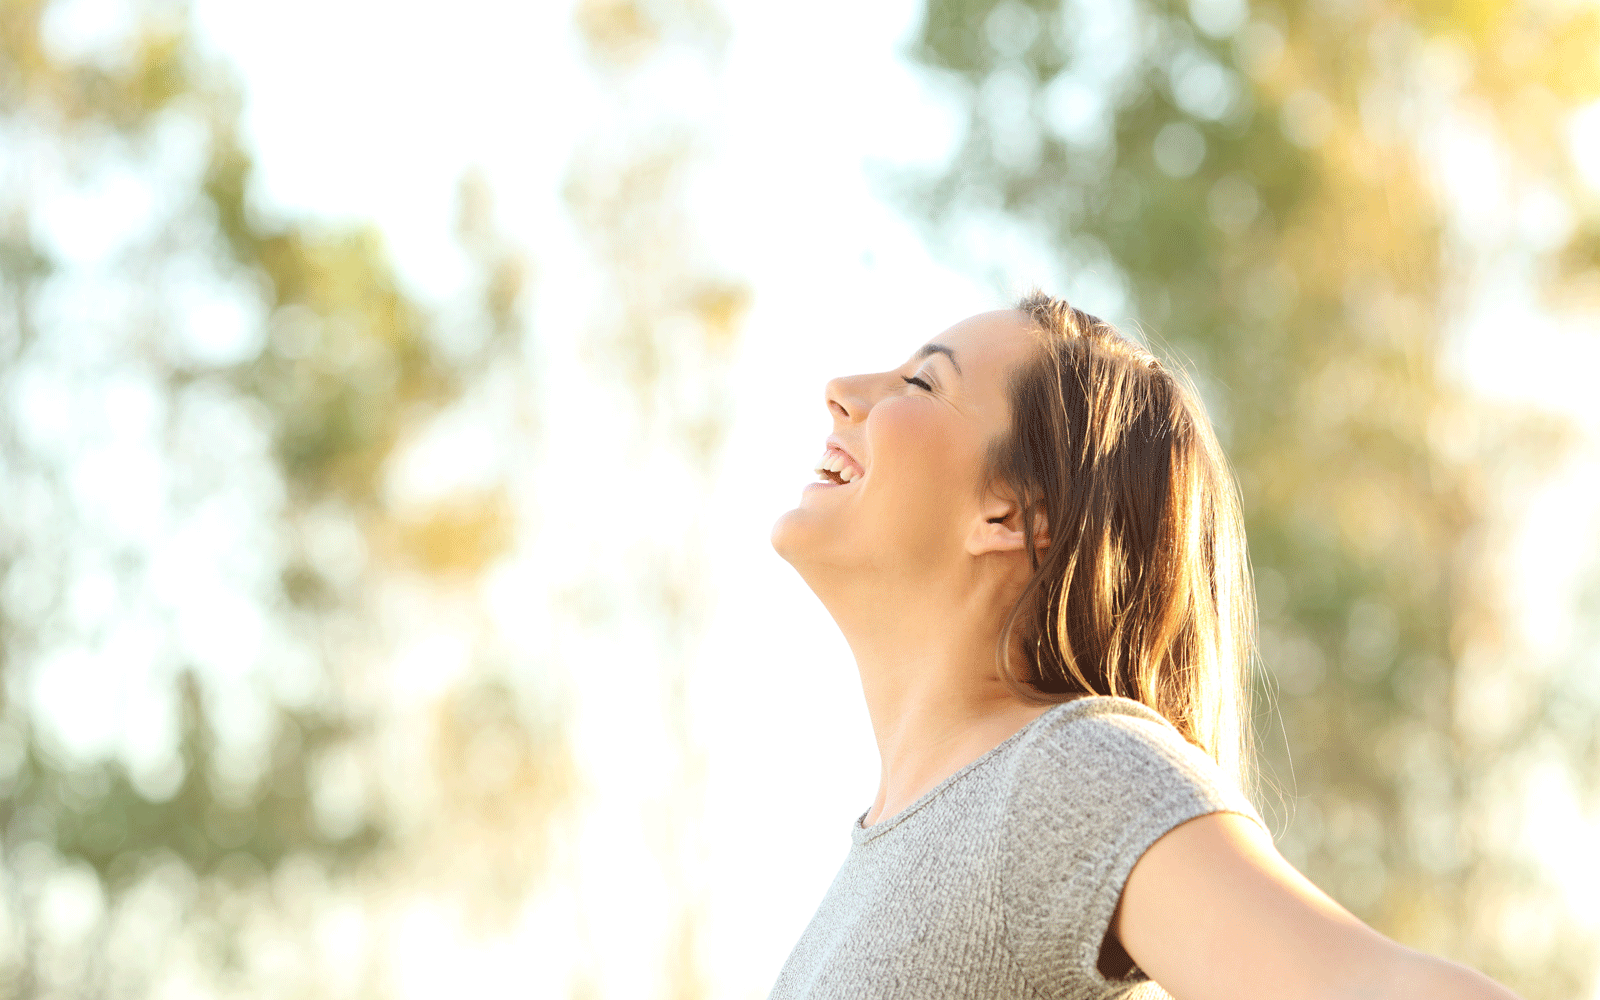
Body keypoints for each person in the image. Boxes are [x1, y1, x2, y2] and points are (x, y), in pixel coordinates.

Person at [766, 292, 1521, 1000]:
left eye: (923, 385)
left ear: (1014, 516)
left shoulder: (1064, 777)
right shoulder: (883, 857)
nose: (842, 389)